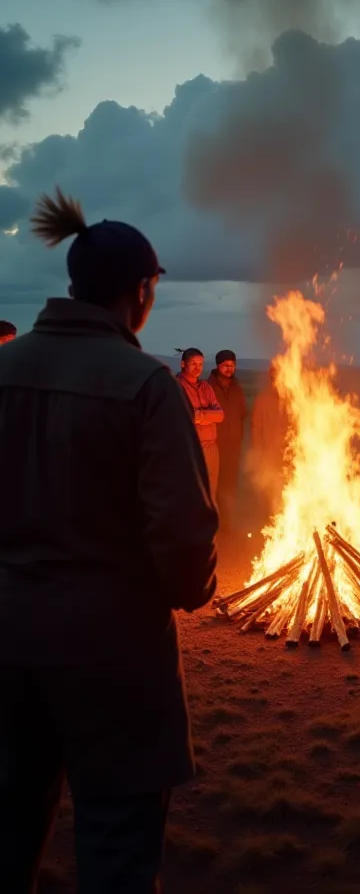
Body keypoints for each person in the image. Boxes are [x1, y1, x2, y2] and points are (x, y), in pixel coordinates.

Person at [0, 189, 218, 893]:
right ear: (142, 291)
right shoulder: (147, 386)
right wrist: (192, 590)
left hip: (6, 637)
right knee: (117, 840)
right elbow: (182, 531)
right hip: (112, 652)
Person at [207, 350, 248, 531]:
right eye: (225, 365)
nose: (229, 368)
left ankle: (227, 522)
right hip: (214, 444)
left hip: (233, 445)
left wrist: (237, 436)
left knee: (230, 484)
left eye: (232, 365)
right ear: (218, 366)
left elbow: (242, 413)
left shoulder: (237, 388)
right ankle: (212, 521)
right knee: (213, 483)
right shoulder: (208, 387)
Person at [176, 348, 224, 501]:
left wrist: (200, 414)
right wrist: (207, 414)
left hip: (211, 449)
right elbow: (183, 416)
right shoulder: (176, 386)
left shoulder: (206, 388)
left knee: (210, 492)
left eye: (201, 364)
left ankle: (210, 525)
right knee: (192, 493)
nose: (198, 368)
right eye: (194, 364)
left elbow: (220, 415)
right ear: (183, 364)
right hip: (190, 449)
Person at [249, 365, 291, 517]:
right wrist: (259, 453)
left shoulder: (295, 398)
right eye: (275, 376)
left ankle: (289, 522)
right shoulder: (262, 400)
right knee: (271, 492)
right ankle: (271, 526)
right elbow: (256, 429)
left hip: (290, 456)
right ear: (271, 378)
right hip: (270, 454)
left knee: (290, 491)